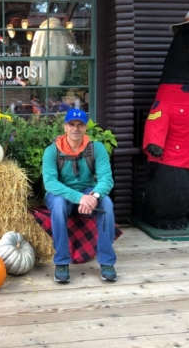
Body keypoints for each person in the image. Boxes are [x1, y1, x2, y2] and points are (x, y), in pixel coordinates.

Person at [42, 108, 117, 283]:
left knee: (106, 204)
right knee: (59, 206)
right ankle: (61, 261)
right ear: (65, 127)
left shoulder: (96, 148)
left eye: (80, 125)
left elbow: (106, 178)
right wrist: (79, 198)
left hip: (88, 191)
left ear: (85, 128)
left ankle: (106, 261)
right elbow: (50, 183)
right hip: (60, 194)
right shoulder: (52, 151)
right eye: (71, 124)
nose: (75, 128)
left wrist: (94, 196)